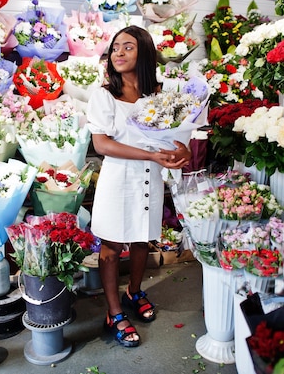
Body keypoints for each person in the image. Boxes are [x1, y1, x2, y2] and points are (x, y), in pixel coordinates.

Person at [86, 25, 191, 348]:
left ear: (144, 52)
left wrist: (182, 151)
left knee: (143, 238)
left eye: (127, 47)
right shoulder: (105, 95)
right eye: (115, 47)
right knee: (112, 247)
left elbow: (180, 134)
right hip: (119, 179)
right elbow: (102, 144)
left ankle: (134, 291)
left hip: (150, 176)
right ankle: (114, 312)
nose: (118, 52)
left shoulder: (161, 94)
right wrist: (150, 154)